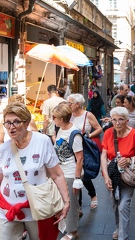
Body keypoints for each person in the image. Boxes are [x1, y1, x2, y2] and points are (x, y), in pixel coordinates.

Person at [0, 102, 70, 240]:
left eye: (16, 122)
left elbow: (57, 174)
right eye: (8, 123)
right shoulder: (3, 150)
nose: (11, 127)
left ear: (27, 122)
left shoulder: (42, 141)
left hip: (37, 208)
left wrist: (66, 201)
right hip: (7, 209)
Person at [100, 107, 135, 240]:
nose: (117, 123)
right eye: (114, 120)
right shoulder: (108, 133)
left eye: (120, 120)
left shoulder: (134, 134)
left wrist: (129, 160)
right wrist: (106, 177)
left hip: (128, 175)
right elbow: (103, 156)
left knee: (124, 205)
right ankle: (119, 227)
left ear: (127, 120)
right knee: (115, 203)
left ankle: (122, 236)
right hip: (113, 175)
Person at [53, 103, 84, 240]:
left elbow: (80, 158)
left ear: (61, 118)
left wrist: (77, 178)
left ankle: (72, 231)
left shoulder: (74, 133)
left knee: (69, 201)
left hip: (71, 172)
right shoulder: (60, 129)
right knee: (64, 200)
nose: (52, 118)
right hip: (61, 171)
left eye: (54, 117)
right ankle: (73, 216)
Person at [68, 94, 102, 211]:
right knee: (75, 175)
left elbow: (99, 128)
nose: (68, 105)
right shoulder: (68, 115)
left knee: (84, 176)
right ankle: (78, 206)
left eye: (70, 103)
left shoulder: (88, 115)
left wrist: (88, 135)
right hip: (70, 149)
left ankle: (93, 195)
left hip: (84, 148)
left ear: (78, 104)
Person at [0, 94, 38, 167]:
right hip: (10, 156)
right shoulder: (3, 122)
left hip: (27, 157)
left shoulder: (29, 121)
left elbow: (36, 140)